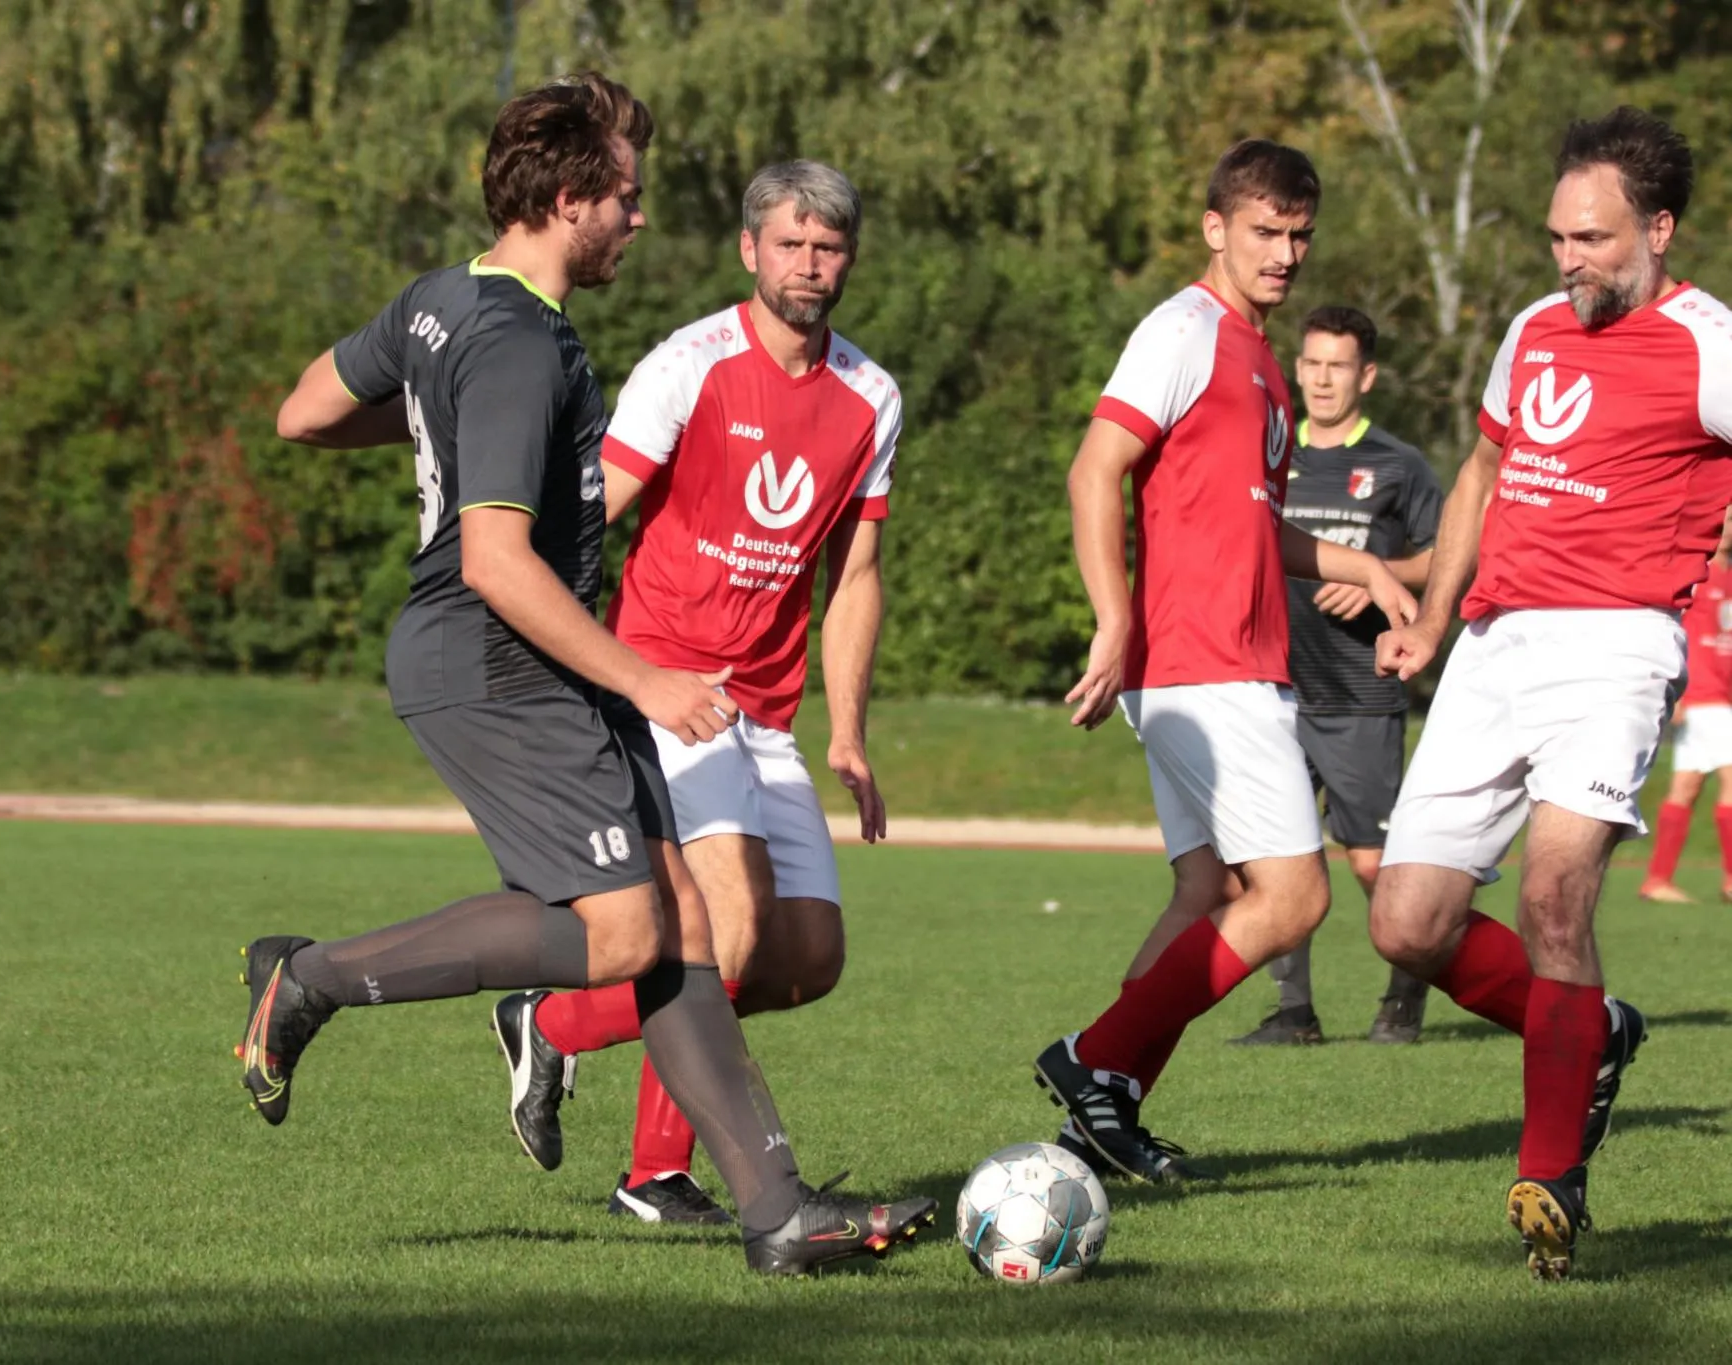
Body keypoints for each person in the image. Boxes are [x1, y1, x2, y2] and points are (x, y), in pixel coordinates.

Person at [235, 72, 935, 1276]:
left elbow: (304, 411)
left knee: (682, 930)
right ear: (569, 200)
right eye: (626, 196)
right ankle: (308, 979)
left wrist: (445, 423)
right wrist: (650, 682)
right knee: (620, 934)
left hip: (532, 659)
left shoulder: (444, 300)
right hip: (498, 657)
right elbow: (497, 563)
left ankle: (778, 1215)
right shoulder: (519, 341)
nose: (638, 218)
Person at [485, 160, 898, 1225]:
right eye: (790, 244)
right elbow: (590, 521)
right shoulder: (690, 364)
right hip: (666, 687)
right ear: (750, 250)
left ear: (848, 260)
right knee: (728, 930)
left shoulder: (871, 396)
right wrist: (570, 668)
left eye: (828, 248)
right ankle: (654, 1167)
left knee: (807, 959)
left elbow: (854, 575)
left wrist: (848, 732)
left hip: (766, 713)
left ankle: (559, 1031)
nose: (809, 265)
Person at [1371, 106, 1726, 1281]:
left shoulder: (1708, 346)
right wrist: (1431, 620)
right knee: (1405, 924)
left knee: (1553, 891)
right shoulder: (1531, 327)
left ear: (1657, 231)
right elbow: (1482, 467)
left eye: (1592, 238)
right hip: (1491, 647)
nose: (1567, 259)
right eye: (1556, 237)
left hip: (1618, 649)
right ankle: (1593, 1034)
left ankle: (1550, 1175)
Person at [1030, 140, 1417, 1184]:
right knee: (1291, 900)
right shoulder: (1184, 330)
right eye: (1263, 231)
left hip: (1224, 663)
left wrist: (1367, 568)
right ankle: (1092, 1061)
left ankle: (1100, 1112)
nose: (1284, 253)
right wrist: (1113, 620)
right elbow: (1094, 469)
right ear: (1215, 228)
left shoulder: (1260, 360)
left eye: (1299, 235)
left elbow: (1257, 526)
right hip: (1203, 664)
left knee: (1207, 891)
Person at [1230, 307, 1443, 1047]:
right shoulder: (1268, 453)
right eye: (1312, 364)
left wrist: (1375, 574)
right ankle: (1293, 1014)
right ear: (1297, 368)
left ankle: (1405, 996)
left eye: (1339, 366)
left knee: (1371, 862)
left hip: (1360, 692)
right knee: (1274, 860)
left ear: (1366, 376)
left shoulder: (1397, 464)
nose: (1322, 380)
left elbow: (1447, 558)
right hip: (1273, 686)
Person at [1637, 509, 1732, 903]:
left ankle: (1657, 879)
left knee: (1686, 787)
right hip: (1703, 695)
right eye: (1727, 520)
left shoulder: (1728, 579)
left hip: (1721, 698)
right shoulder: (1696, 575)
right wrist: (1674, 690)